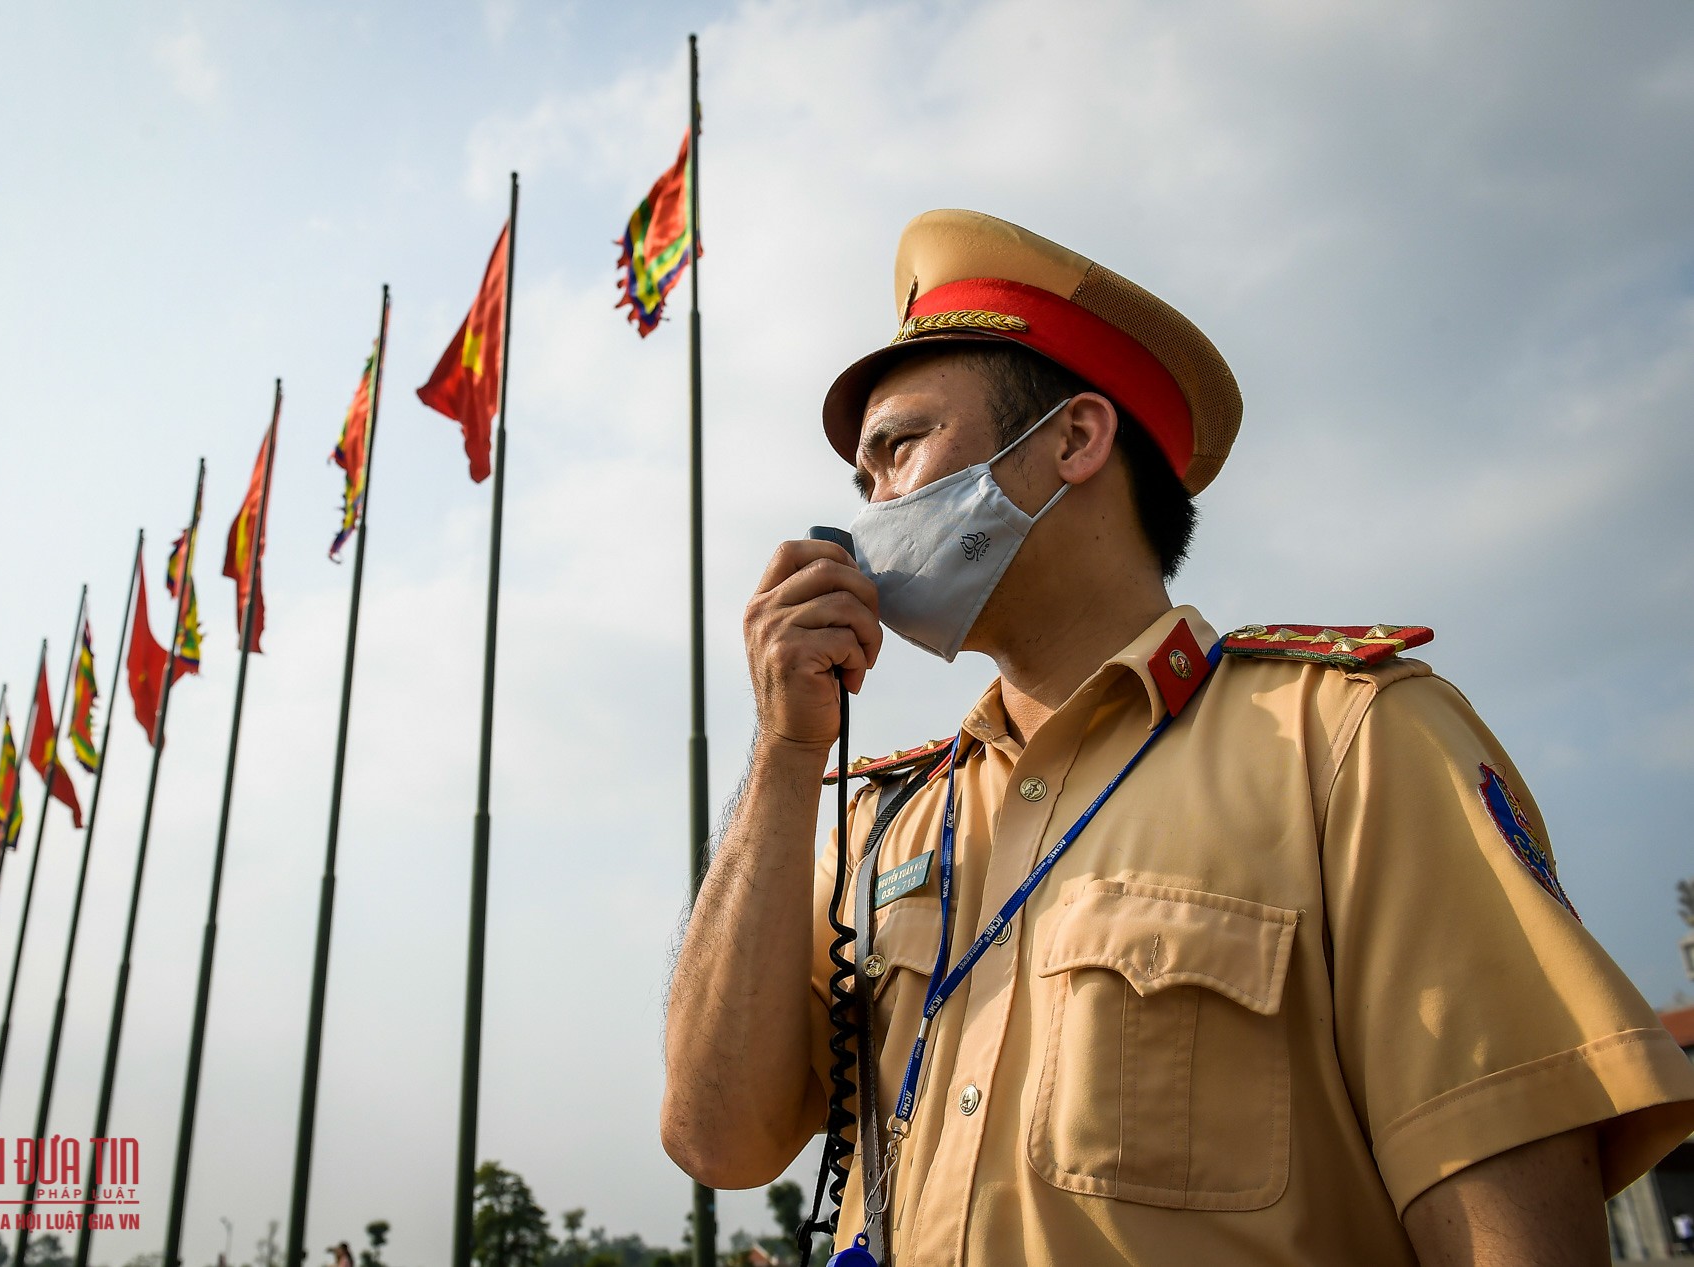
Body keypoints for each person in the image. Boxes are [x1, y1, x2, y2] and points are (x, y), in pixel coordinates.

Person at [661, 208, 1694, 1266]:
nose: (869, 505)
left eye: (898, 448)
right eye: (861, 478)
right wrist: (786, 760)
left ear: (1071, 439)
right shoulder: (883, 818)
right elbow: (716, 1139)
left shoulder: (1345, 745)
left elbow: (1510, 1233)